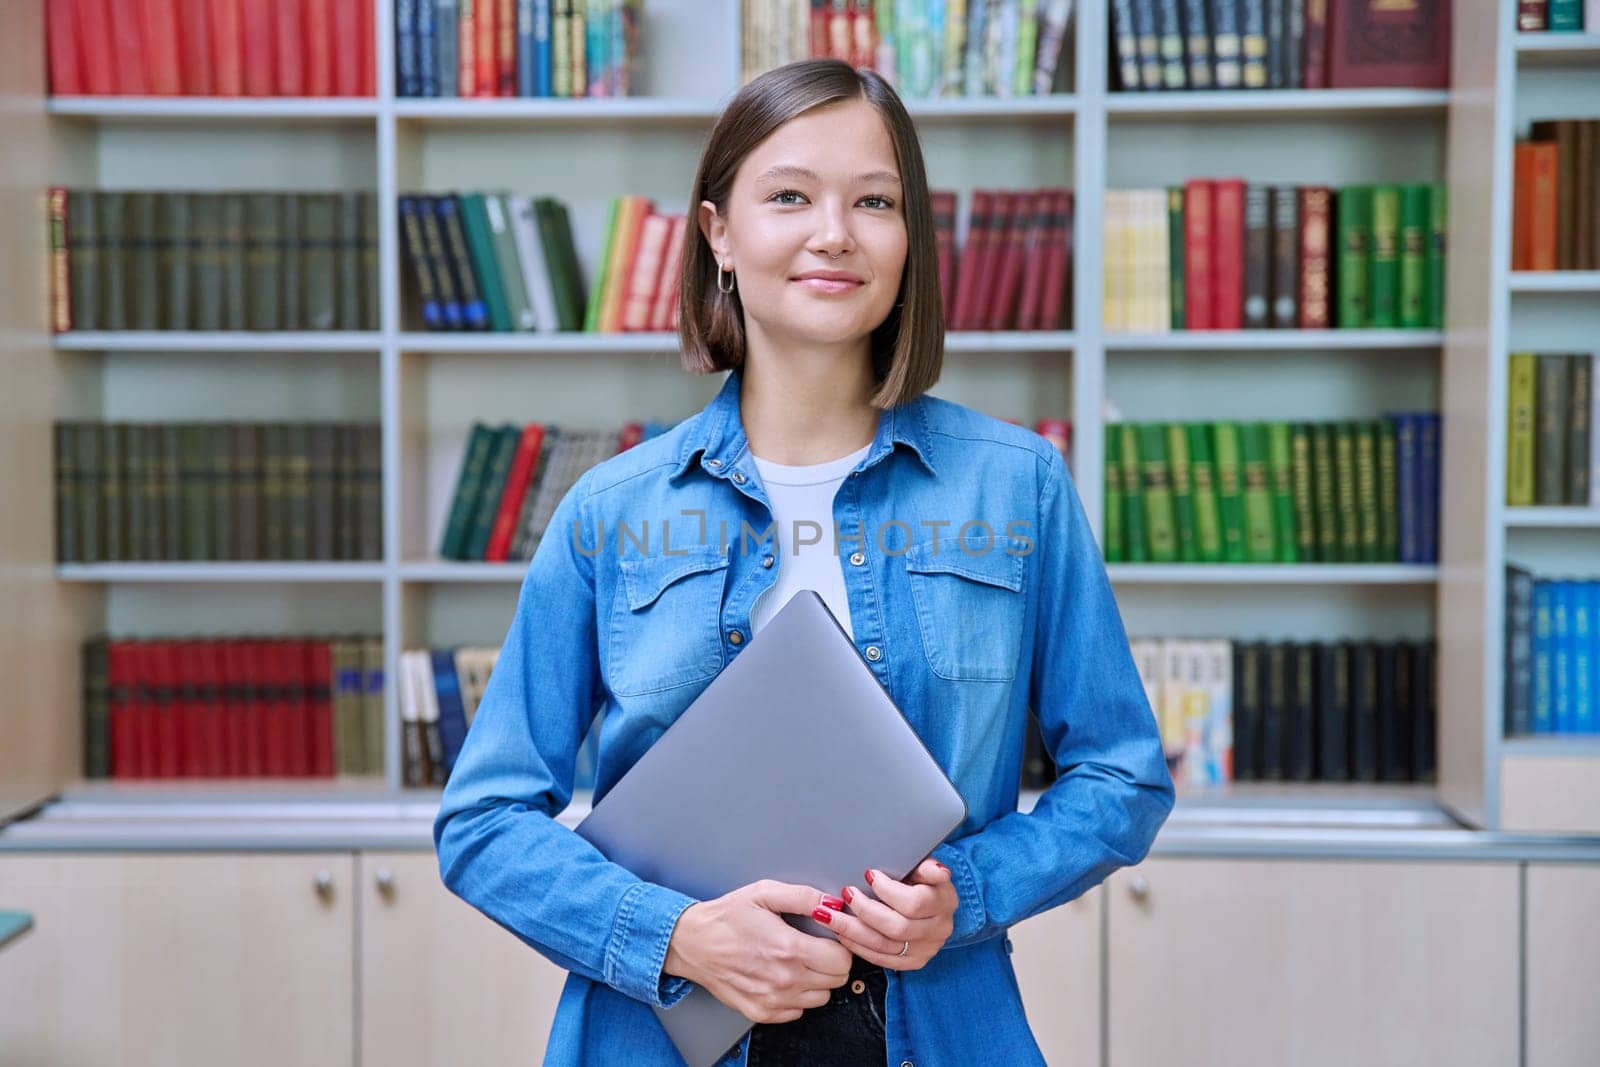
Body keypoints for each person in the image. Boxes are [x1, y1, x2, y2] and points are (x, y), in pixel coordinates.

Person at [433, 57, 1175, 1067]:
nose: (834, 232)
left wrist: (970, 892)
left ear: (910, 240)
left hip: (933, 1025)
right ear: (719, 235)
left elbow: (1122, 775)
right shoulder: (612, 510)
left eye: (875, 200)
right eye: (790, 196)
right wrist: (677, 934)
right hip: (665, 1031)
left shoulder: (1017, 487)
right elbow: (481, 820)